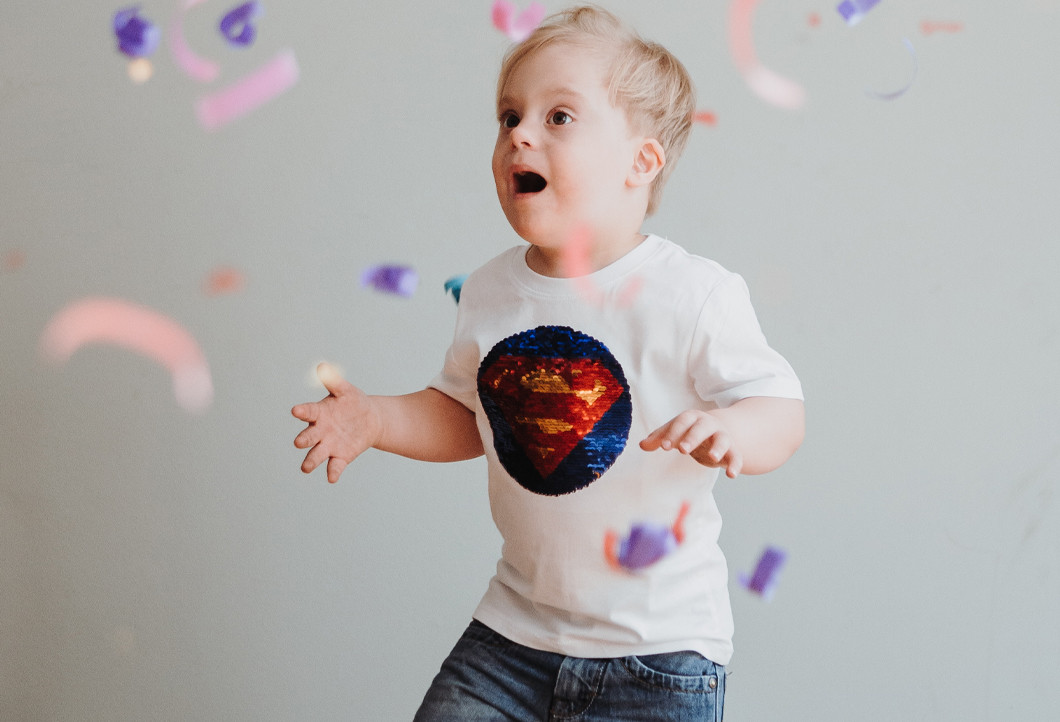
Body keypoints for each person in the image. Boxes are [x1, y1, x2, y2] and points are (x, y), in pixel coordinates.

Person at [291, 5, 805, 720]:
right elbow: (468, 416)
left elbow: (780, 407)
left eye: (558, 117)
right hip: (512, 636)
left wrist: (739, 432)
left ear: (641, 160)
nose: (520, 134)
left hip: (656, 653)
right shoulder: (492, 291)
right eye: (508, 117)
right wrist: (376, 418)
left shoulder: (692, 294)